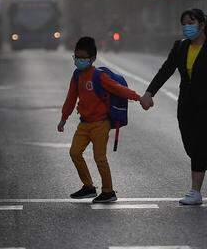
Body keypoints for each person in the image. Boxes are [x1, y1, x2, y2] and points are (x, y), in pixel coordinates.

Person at [141, 8, 207, 205]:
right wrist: (149, 93)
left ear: (202, 24)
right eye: (184, 23)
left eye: (191, 22)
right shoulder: (180, 47)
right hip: (186, 104)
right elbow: (165, 70)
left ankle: (195, 192)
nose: (187, 27)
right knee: (191, 147)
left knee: (200, 145)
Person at [59, 37, 151, 203]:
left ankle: (108, 191)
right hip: (84, 124)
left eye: (82, 58)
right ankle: (88, 187)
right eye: (76, 57)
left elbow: (119, 89)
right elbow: (71, 97)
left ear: (92, 59)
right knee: (74, 152)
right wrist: (64, 118)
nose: (79, 61)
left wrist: (138, 98)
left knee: (99, 157)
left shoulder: (99, 76)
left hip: (101, 124)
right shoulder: (77, 75)